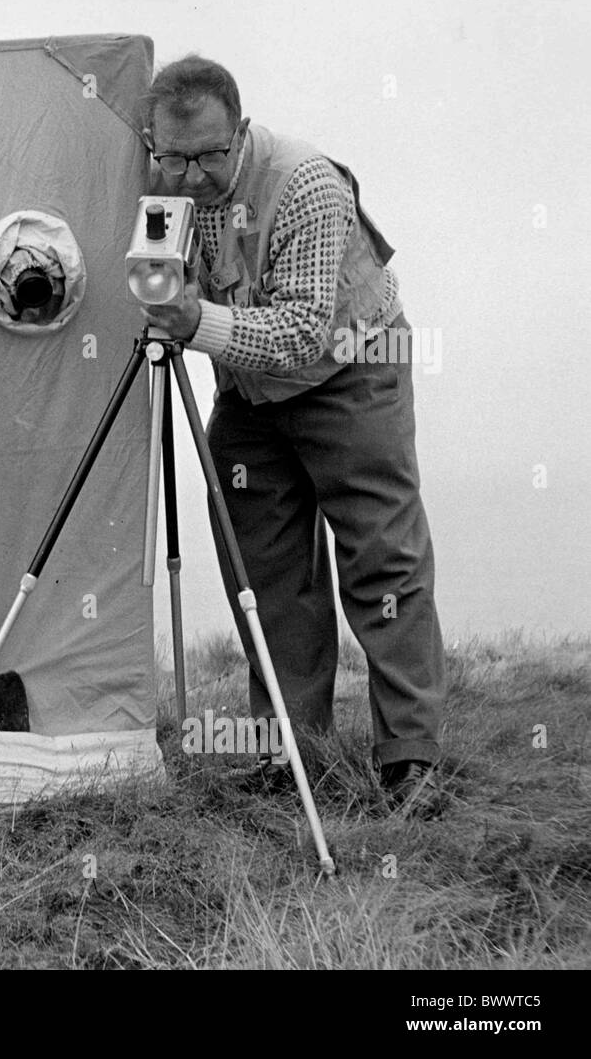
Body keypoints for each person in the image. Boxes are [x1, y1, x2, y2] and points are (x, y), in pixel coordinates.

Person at [139, 55, 446, 810]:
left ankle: (411, 760)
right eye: (173, 156)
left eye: (211, 154)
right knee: (266, 569)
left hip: (347, 366)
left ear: (240, 132)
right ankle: (293, 753)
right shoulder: (160, 183)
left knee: (381, 559)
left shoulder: (305, 183)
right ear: (153, 144)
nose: (194, 174)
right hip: (249, 386)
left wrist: (193, 322)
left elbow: (303, 332)